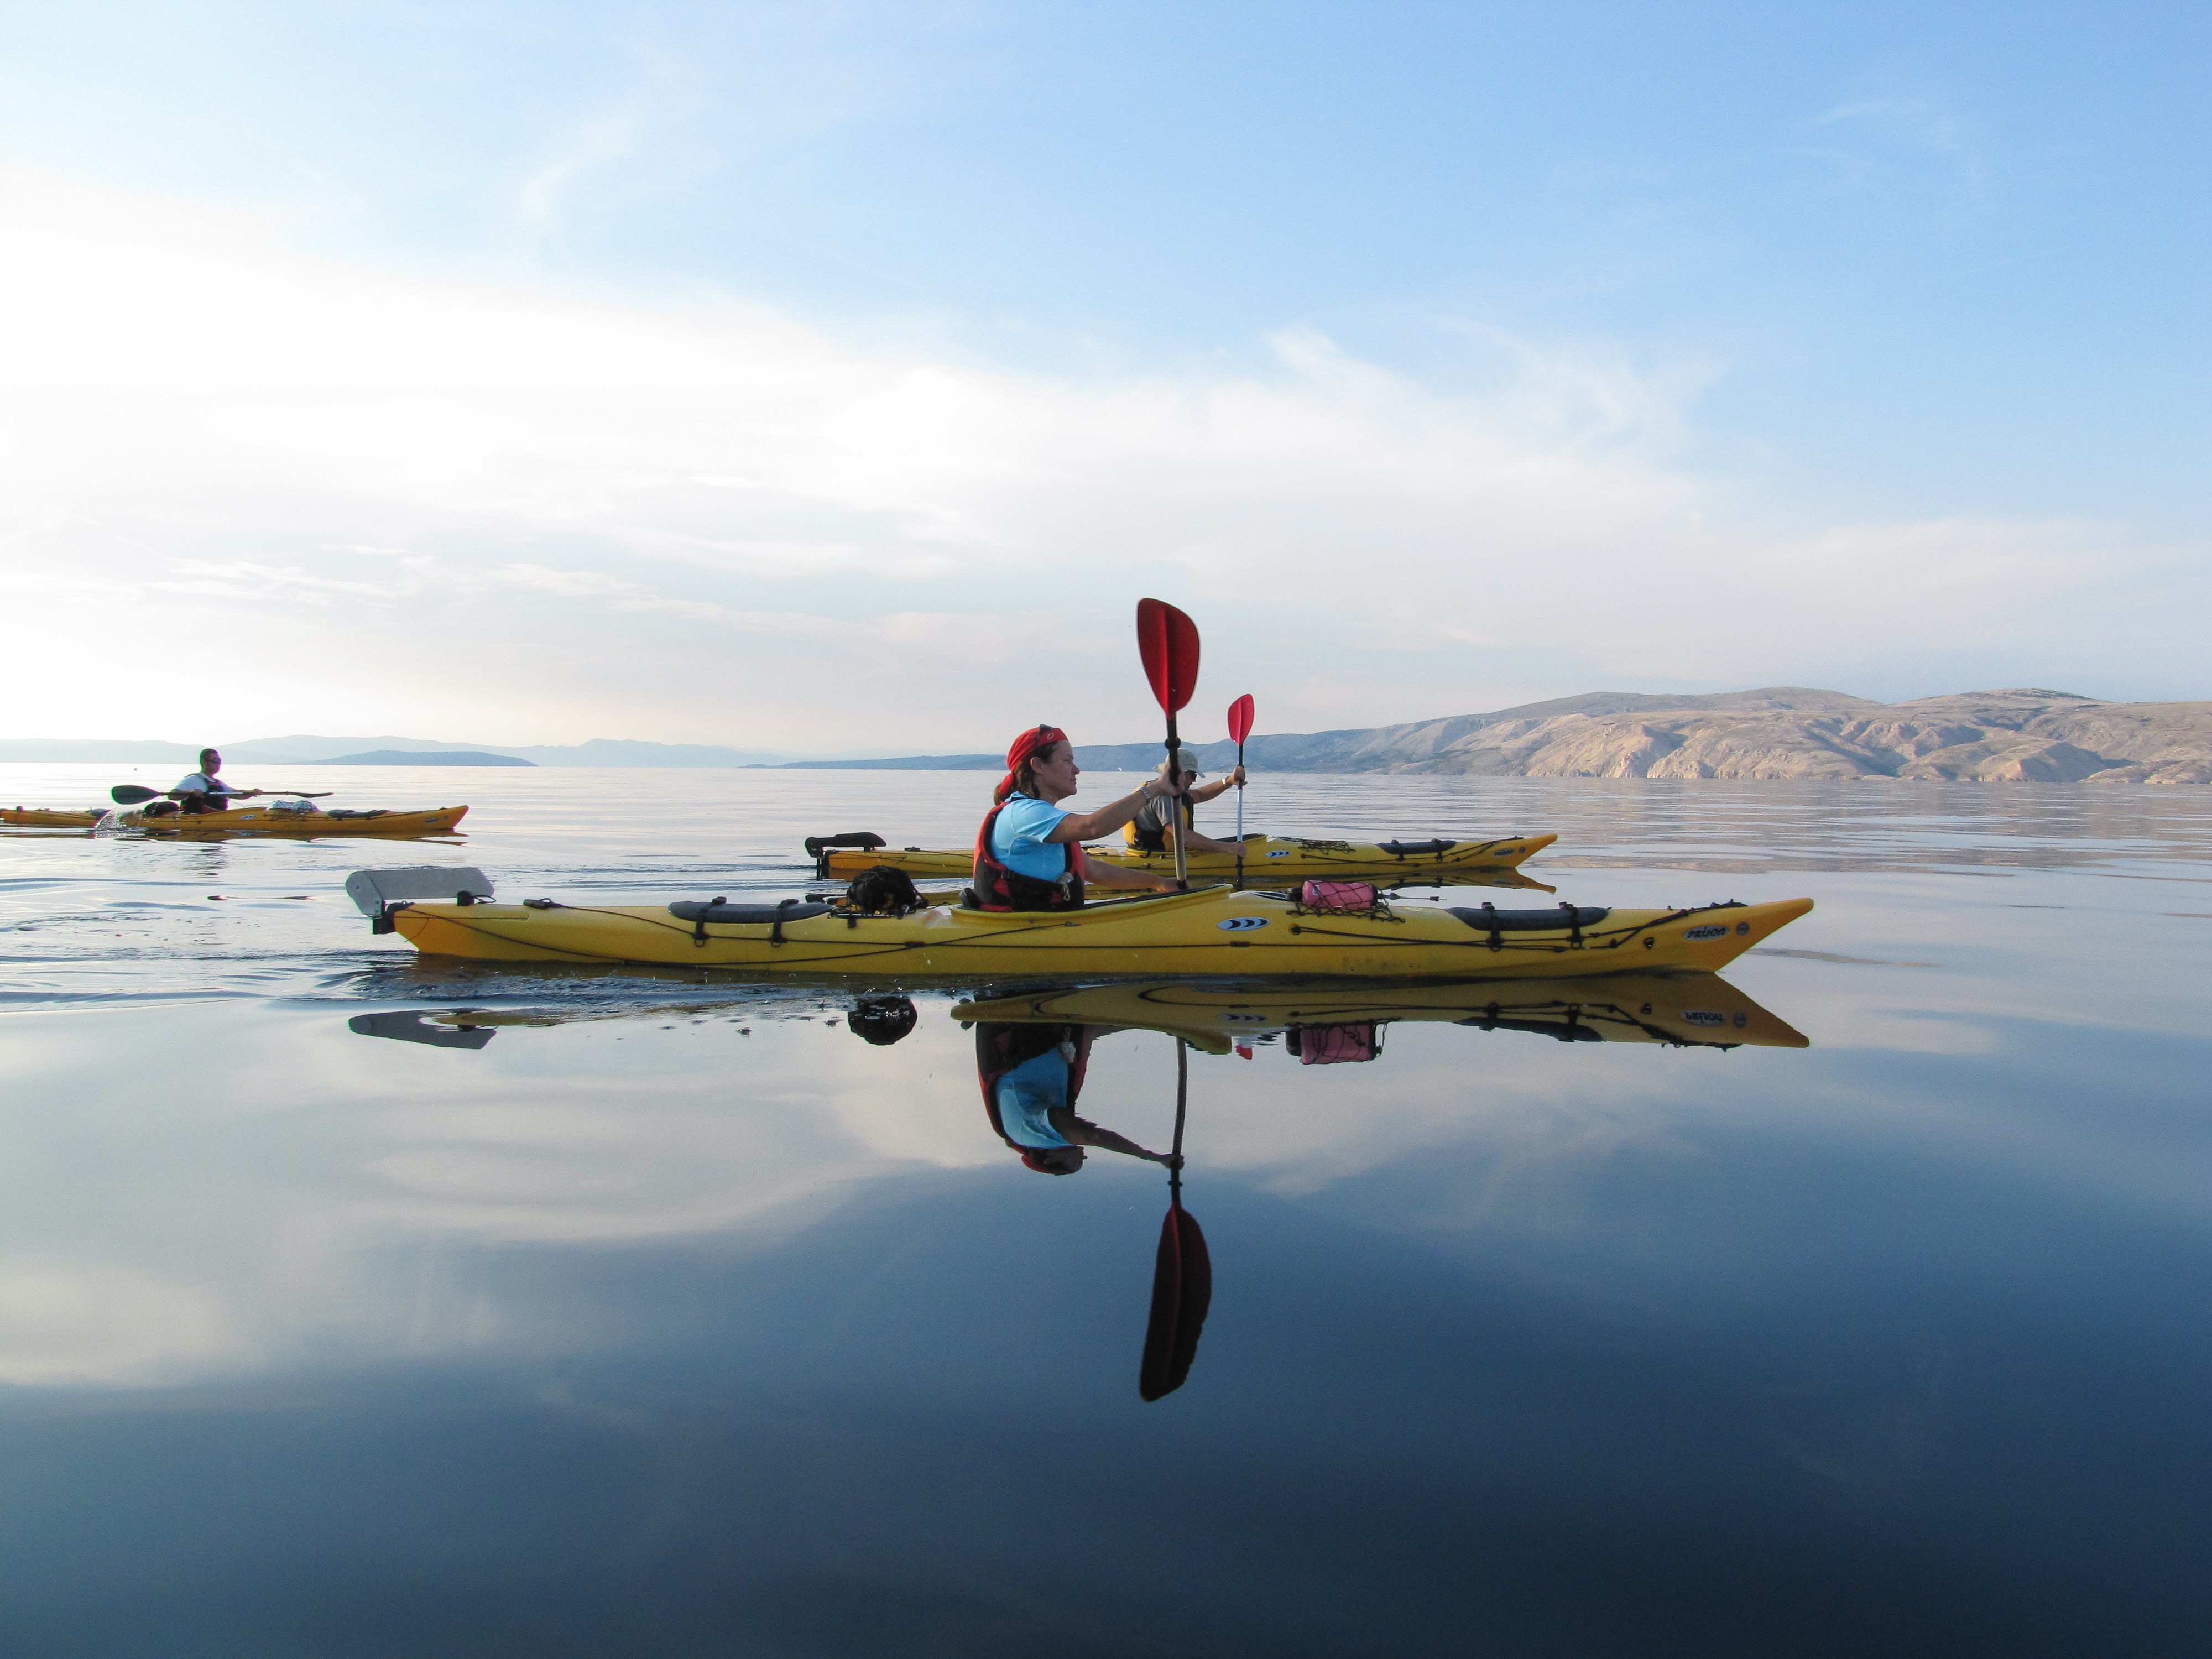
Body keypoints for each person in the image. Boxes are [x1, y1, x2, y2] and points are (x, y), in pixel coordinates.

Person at [972, 724, 1187, 910]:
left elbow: (1095, 871)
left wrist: (1158, 883)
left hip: (1049, 922)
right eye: (1067, 761)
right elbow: (1092, 828)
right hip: (1020, 930)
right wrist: (1154, 789)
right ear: (1037, 766)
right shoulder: (1023, 813)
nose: (1077, 770)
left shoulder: (1045, 817)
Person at [975, 1022, 1183, 1176]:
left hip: (1018, 1028)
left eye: (1076, 1162)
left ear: (1050, 1158)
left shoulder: (1035, 1136)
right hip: (1046, 1029)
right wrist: (1159, 1023)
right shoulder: (1039, 1128)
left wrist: (1152, 1157)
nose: (1084, 1156)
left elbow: (1095, 1137)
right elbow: (1089, 1031)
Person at [1126, 765, 1248, 857]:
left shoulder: (1167, 790)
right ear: (1181, 773)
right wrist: (1229, 849)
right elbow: (1184, 838)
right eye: (1193, 775)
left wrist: (1228, 781)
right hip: (1153, 858)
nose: (1194, 780)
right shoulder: (1163, 797)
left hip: (1157, 854)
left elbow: (1200, 795)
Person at [168, 749, 264, 814]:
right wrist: (191, 792)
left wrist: (252, 792)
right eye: (215, 761)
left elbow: (235, 794)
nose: (219, 764)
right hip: (196, 819)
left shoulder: (219, 783)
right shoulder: (192, 780)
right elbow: (172, 795)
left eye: (219, 761)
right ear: (205, 762)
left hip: (216, 817)